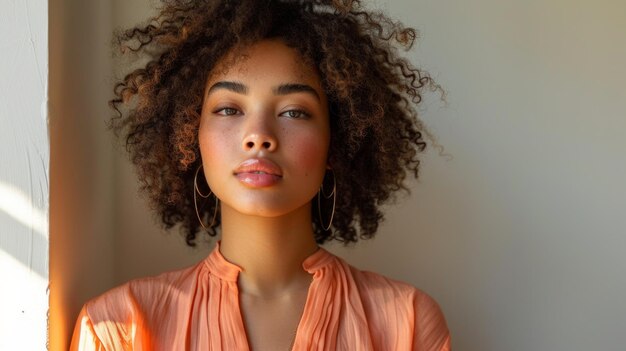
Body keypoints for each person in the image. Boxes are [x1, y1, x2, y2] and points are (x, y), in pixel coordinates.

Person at [70, 0, 451, 350]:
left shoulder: (408, 323)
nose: (259, 136)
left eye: (294, 112)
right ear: (190, 134)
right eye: (229, 109)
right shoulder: (117, 327)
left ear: (337, 142)